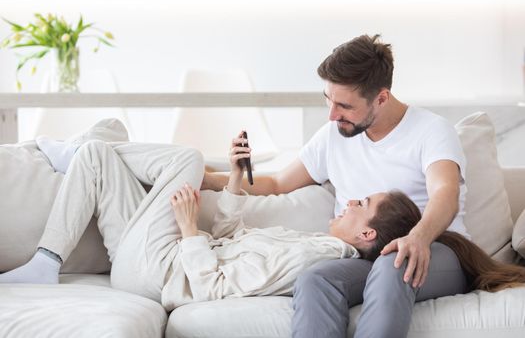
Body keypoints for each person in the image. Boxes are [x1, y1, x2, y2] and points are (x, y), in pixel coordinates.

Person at [2, 135, 522, 312]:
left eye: (359, 204)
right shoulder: (315, 240)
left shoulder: (312, 257)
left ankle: (73, 156)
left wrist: (187, 230)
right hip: (152, 259)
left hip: (160, 272)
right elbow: (231, 237)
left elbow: (211, 287)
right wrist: (233, 184)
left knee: (183, 157)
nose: (347, 202)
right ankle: (47, 259)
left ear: (366, 235)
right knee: (96, 156)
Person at [201, 34, 470, 337]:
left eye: (343, 105)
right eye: (328, 100)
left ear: (381, 97)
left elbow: (445, 192)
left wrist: (418, 237)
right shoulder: (333, 135)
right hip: (365, 256)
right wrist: (211, 180)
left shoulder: (431, 131)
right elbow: (278, 182)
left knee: (393, 265)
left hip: (433, 251)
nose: (331, 115)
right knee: (315, 279)